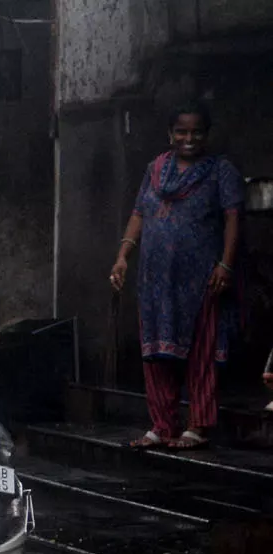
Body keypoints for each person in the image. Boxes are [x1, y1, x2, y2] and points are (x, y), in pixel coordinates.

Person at [110, 107, 243, 449]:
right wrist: (123, 256)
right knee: (156, 353)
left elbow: (232, 219)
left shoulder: (219, 172)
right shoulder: (155, 170)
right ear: (170, 134)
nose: (188, 139)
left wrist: (225, 265)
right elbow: (140, 212)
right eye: (181, 132)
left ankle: (197, 426)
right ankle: (162, 424)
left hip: (200, 279)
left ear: (206, 135)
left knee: (201, 351)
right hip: (156, 278)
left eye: (196, 132)